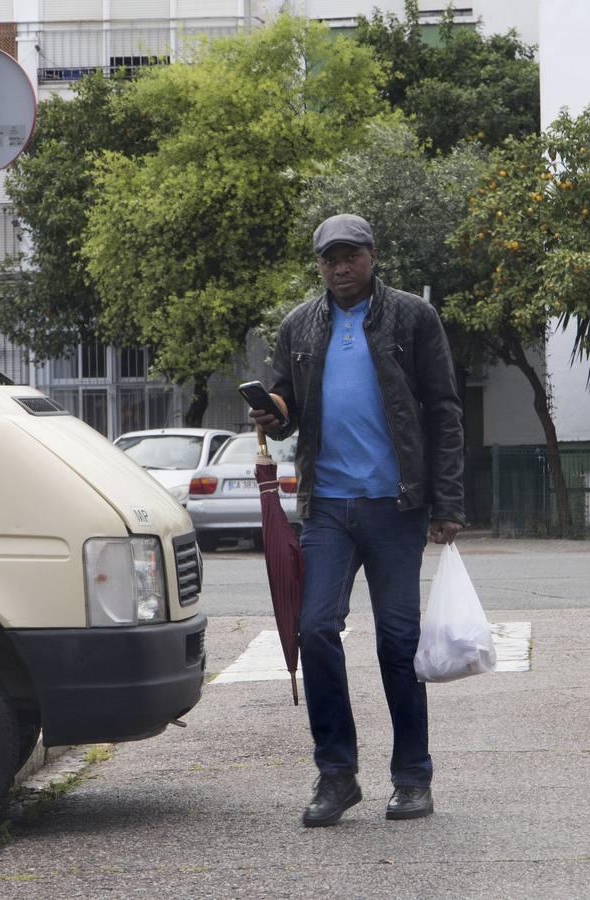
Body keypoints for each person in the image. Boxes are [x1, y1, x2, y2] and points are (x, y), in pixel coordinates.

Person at [249, 213, 466, 827]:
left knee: (399, 643)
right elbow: (289, 407)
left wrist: (447, 501)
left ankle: (412, 777)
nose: (340, 266)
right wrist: (274, 412)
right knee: (315, 630)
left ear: (373, 256)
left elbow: (445, 410)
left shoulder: (413, 319)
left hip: (395, 506)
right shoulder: (299, 326)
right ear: (319, 264)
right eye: (329, 258)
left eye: (351, 255)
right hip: (327, 506)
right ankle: (336, 774)